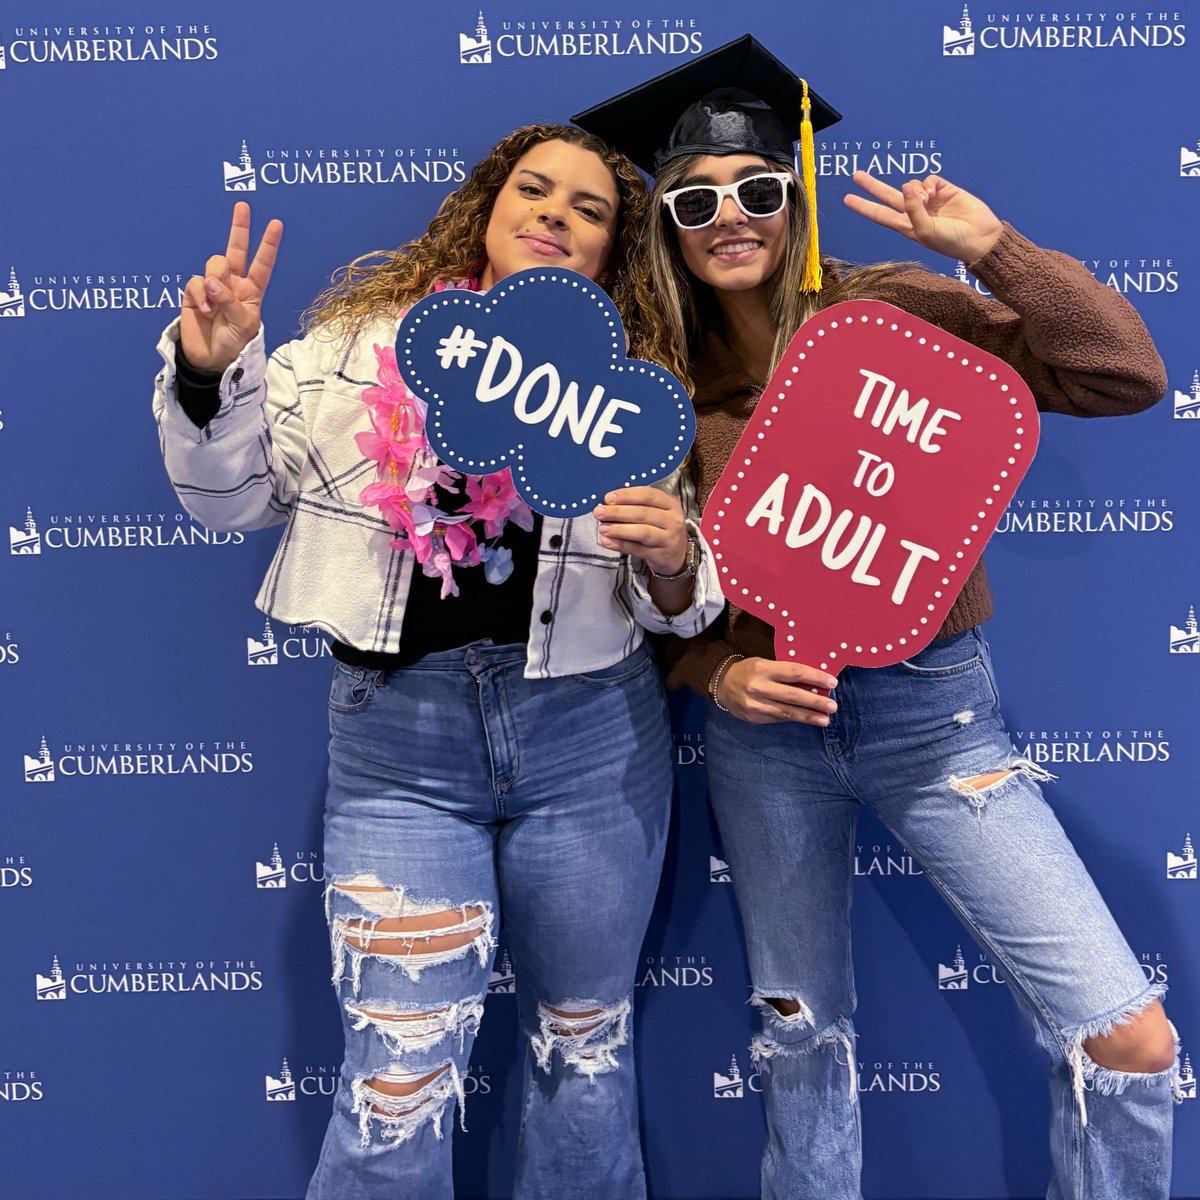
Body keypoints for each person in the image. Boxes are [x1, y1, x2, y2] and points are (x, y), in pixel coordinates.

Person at [576, 37, 1179, 1200]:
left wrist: (993, 251)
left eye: (757, 189)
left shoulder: (892, 311)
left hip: (935, 721)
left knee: (1129, 1043)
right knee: (803, 1050)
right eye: (697, 200)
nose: (730, 216)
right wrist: (712, 673)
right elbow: (630, 593)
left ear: (789, 199)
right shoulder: (657, 381)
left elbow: (1123, 374)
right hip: (768, 747)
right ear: (669, 225)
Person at [152, 123, 722, 1200]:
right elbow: (224, 500)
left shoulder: (633, 391)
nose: (555, 214)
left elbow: (683, 613)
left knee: (585, 1061)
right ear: (487, 210)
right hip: (400, 755)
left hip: (592, 743)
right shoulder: (353, 348)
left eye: (589, 209)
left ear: (612, 249)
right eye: (535, 191)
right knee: (396, 1088)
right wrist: (209, 371)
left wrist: (675, 559)